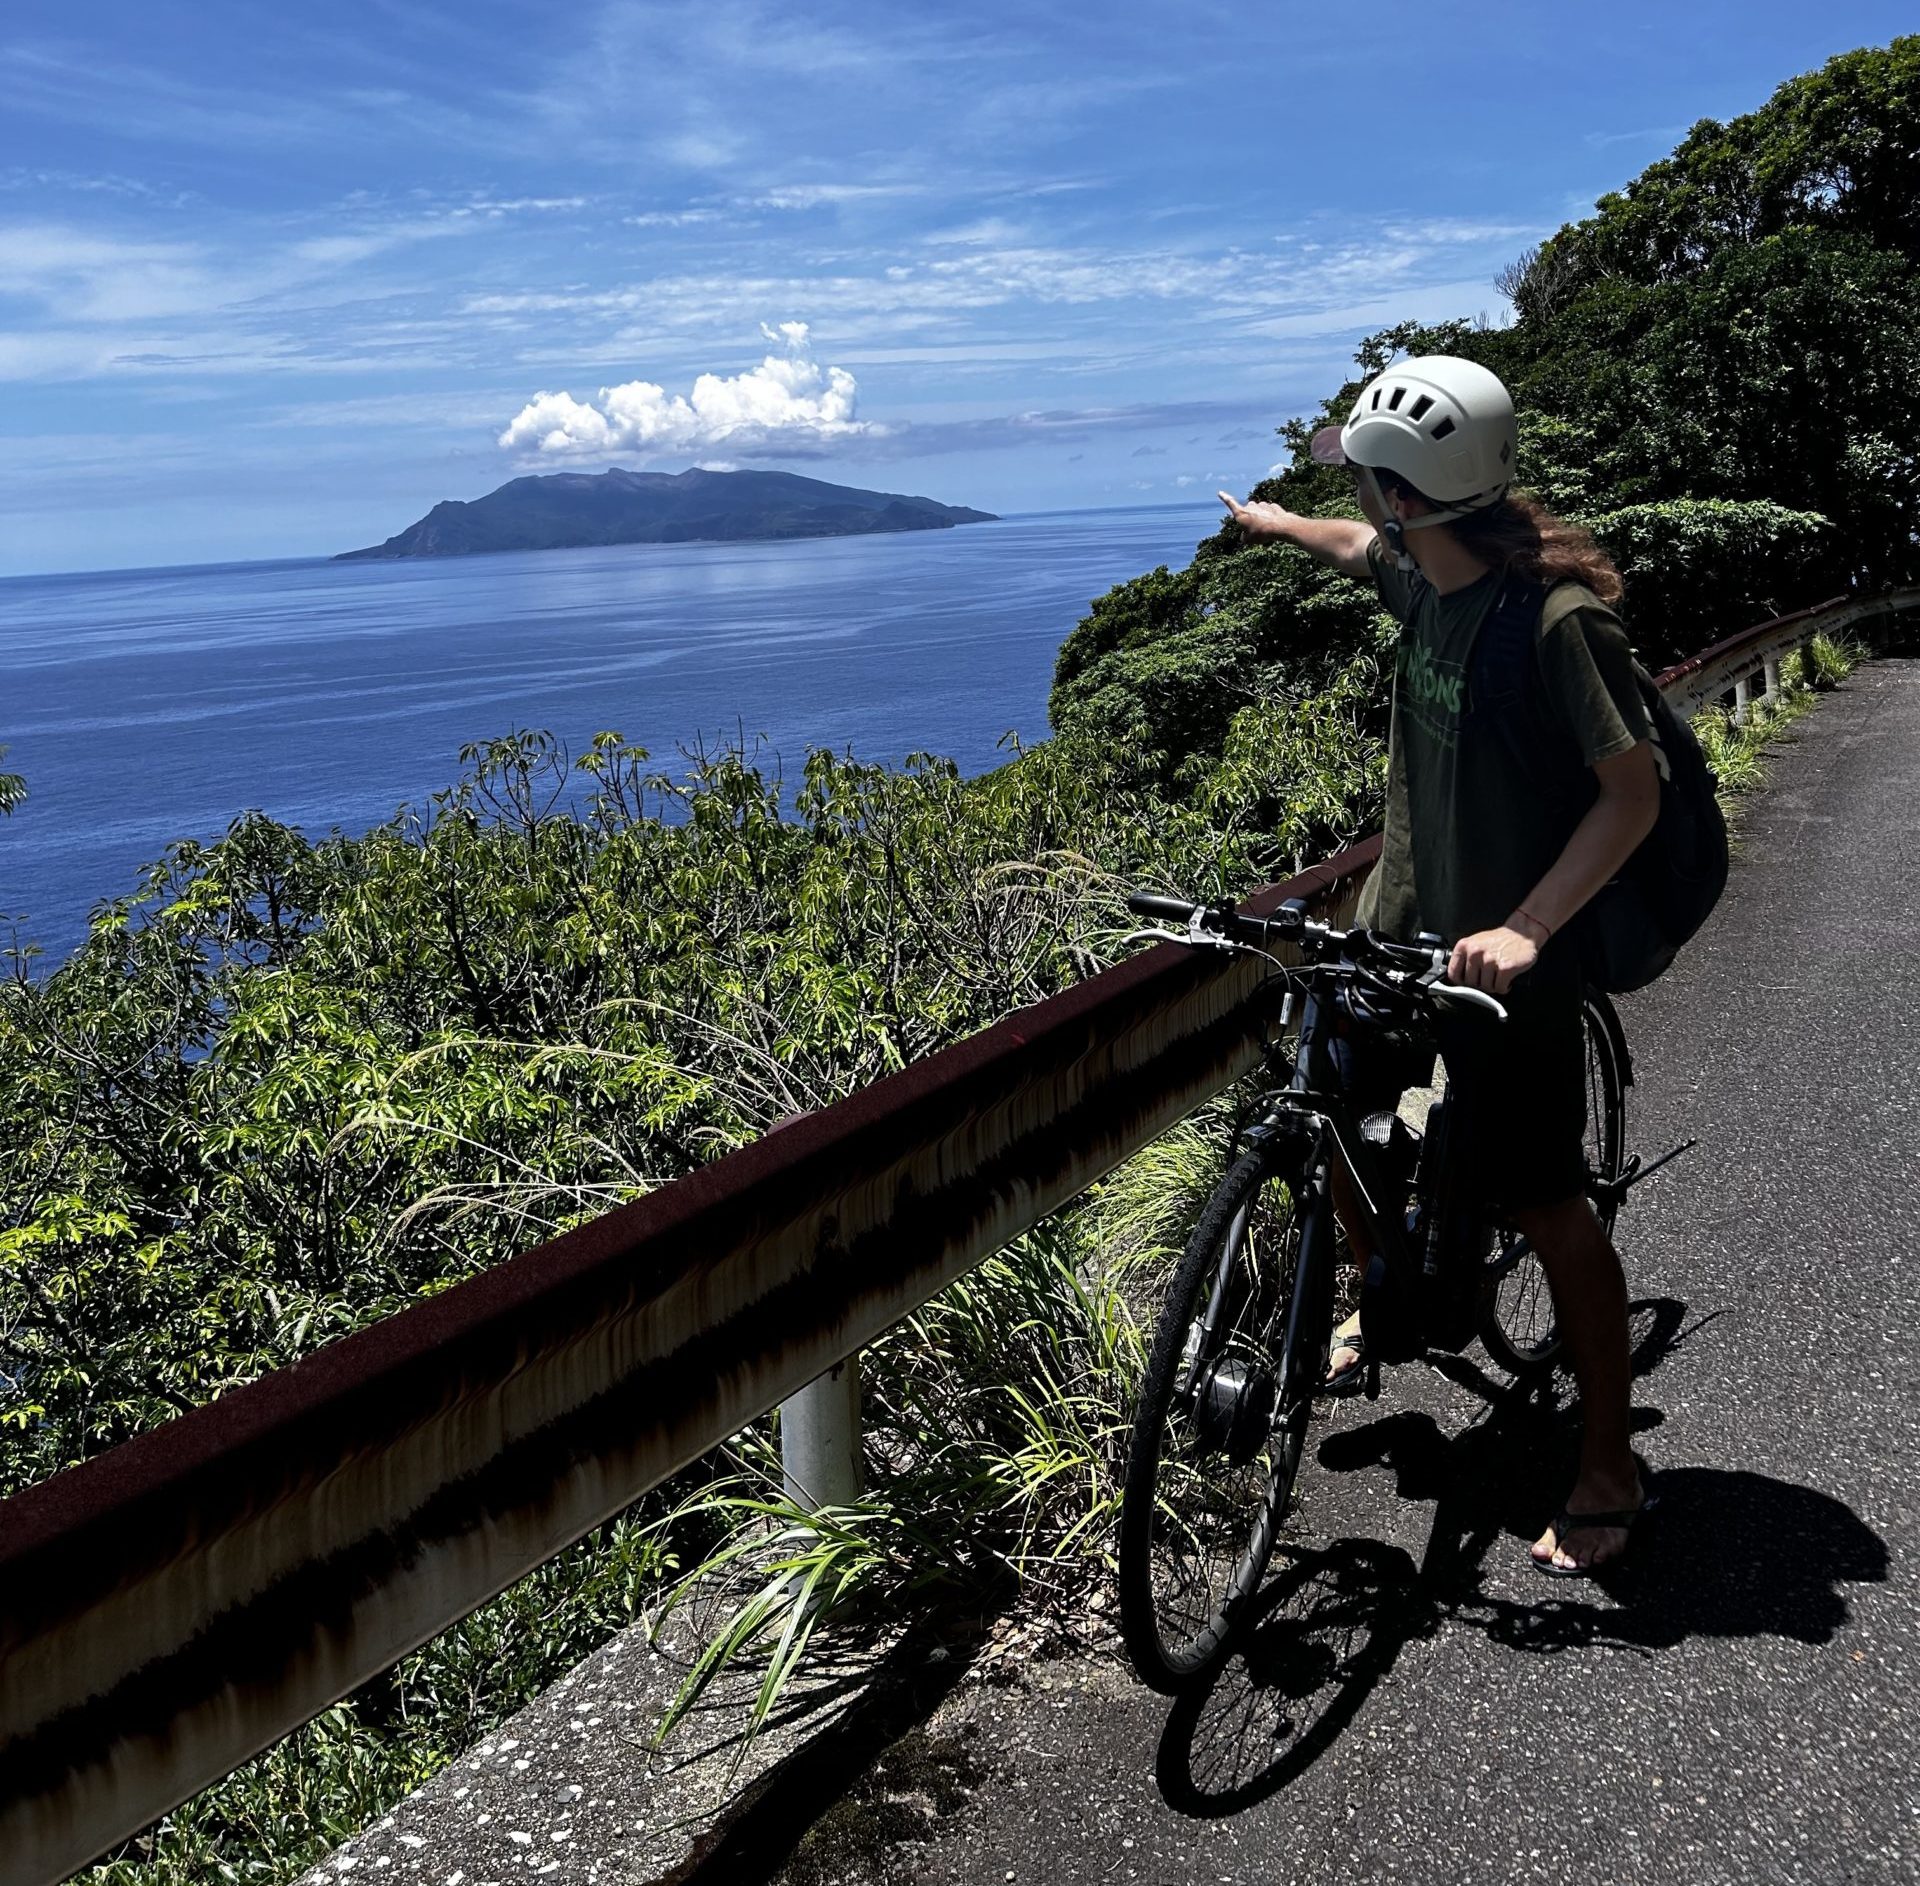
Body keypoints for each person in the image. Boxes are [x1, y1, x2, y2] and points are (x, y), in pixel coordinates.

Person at [1217, 355, 1660, 1576]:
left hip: (1514, 958)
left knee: (1547, 1205)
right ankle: (1384, 1277)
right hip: (1399, 925)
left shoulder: (1558, 621)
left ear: (1409, 496)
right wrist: (1266, 521)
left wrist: (1528, 928)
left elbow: (1632, 796)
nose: (1360, 504)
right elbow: (1348, 548)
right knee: (1327, 1111)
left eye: (1370, 484)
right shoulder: (1423, 574)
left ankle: (1610, 1462)